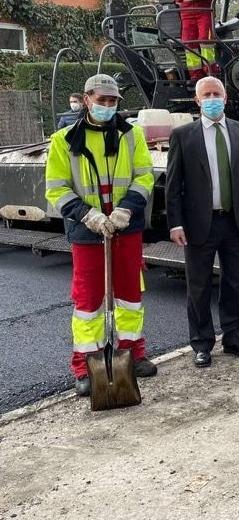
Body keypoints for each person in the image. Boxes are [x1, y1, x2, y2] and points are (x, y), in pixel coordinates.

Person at [44, 74, 157, 396]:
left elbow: (144, 176)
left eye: (112, 101)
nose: (107, 106)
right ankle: (85, 365)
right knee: (88, 300)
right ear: (87, 98)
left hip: (125, 227)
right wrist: (88, 215)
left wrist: (125, 210)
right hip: (87, 231)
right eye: (101, 100)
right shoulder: (64, 140)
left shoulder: (131, 135)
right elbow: (57, 188)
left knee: (129, 297)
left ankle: (133, 354)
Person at [166, 77, 239, 368]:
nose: (212, 98)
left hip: (234, 222)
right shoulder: (183, 136)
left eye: (216, 93)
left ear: (225, 97)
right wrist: (175, 223)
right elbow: (174, 185)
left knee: (234, 282)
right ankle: (201, 343)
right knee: (198, 286)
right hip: (199, 223)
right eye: (206, 95)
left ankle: (234, 337)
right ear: (197, 101)